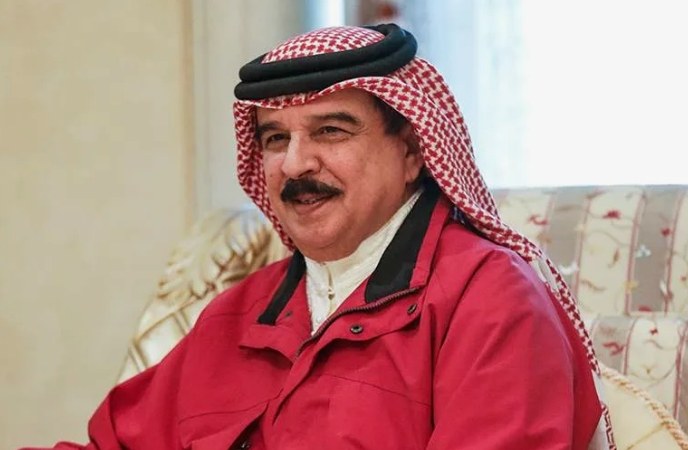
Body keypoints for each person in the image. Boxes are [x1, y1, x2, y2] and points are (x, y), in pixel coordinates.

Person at [24, 24, 613, 449]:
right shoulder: (236, 316)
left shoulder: (490, 301)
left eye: (331, 131)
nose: (294, 164)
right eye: (275, 139)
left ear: (412, 151)